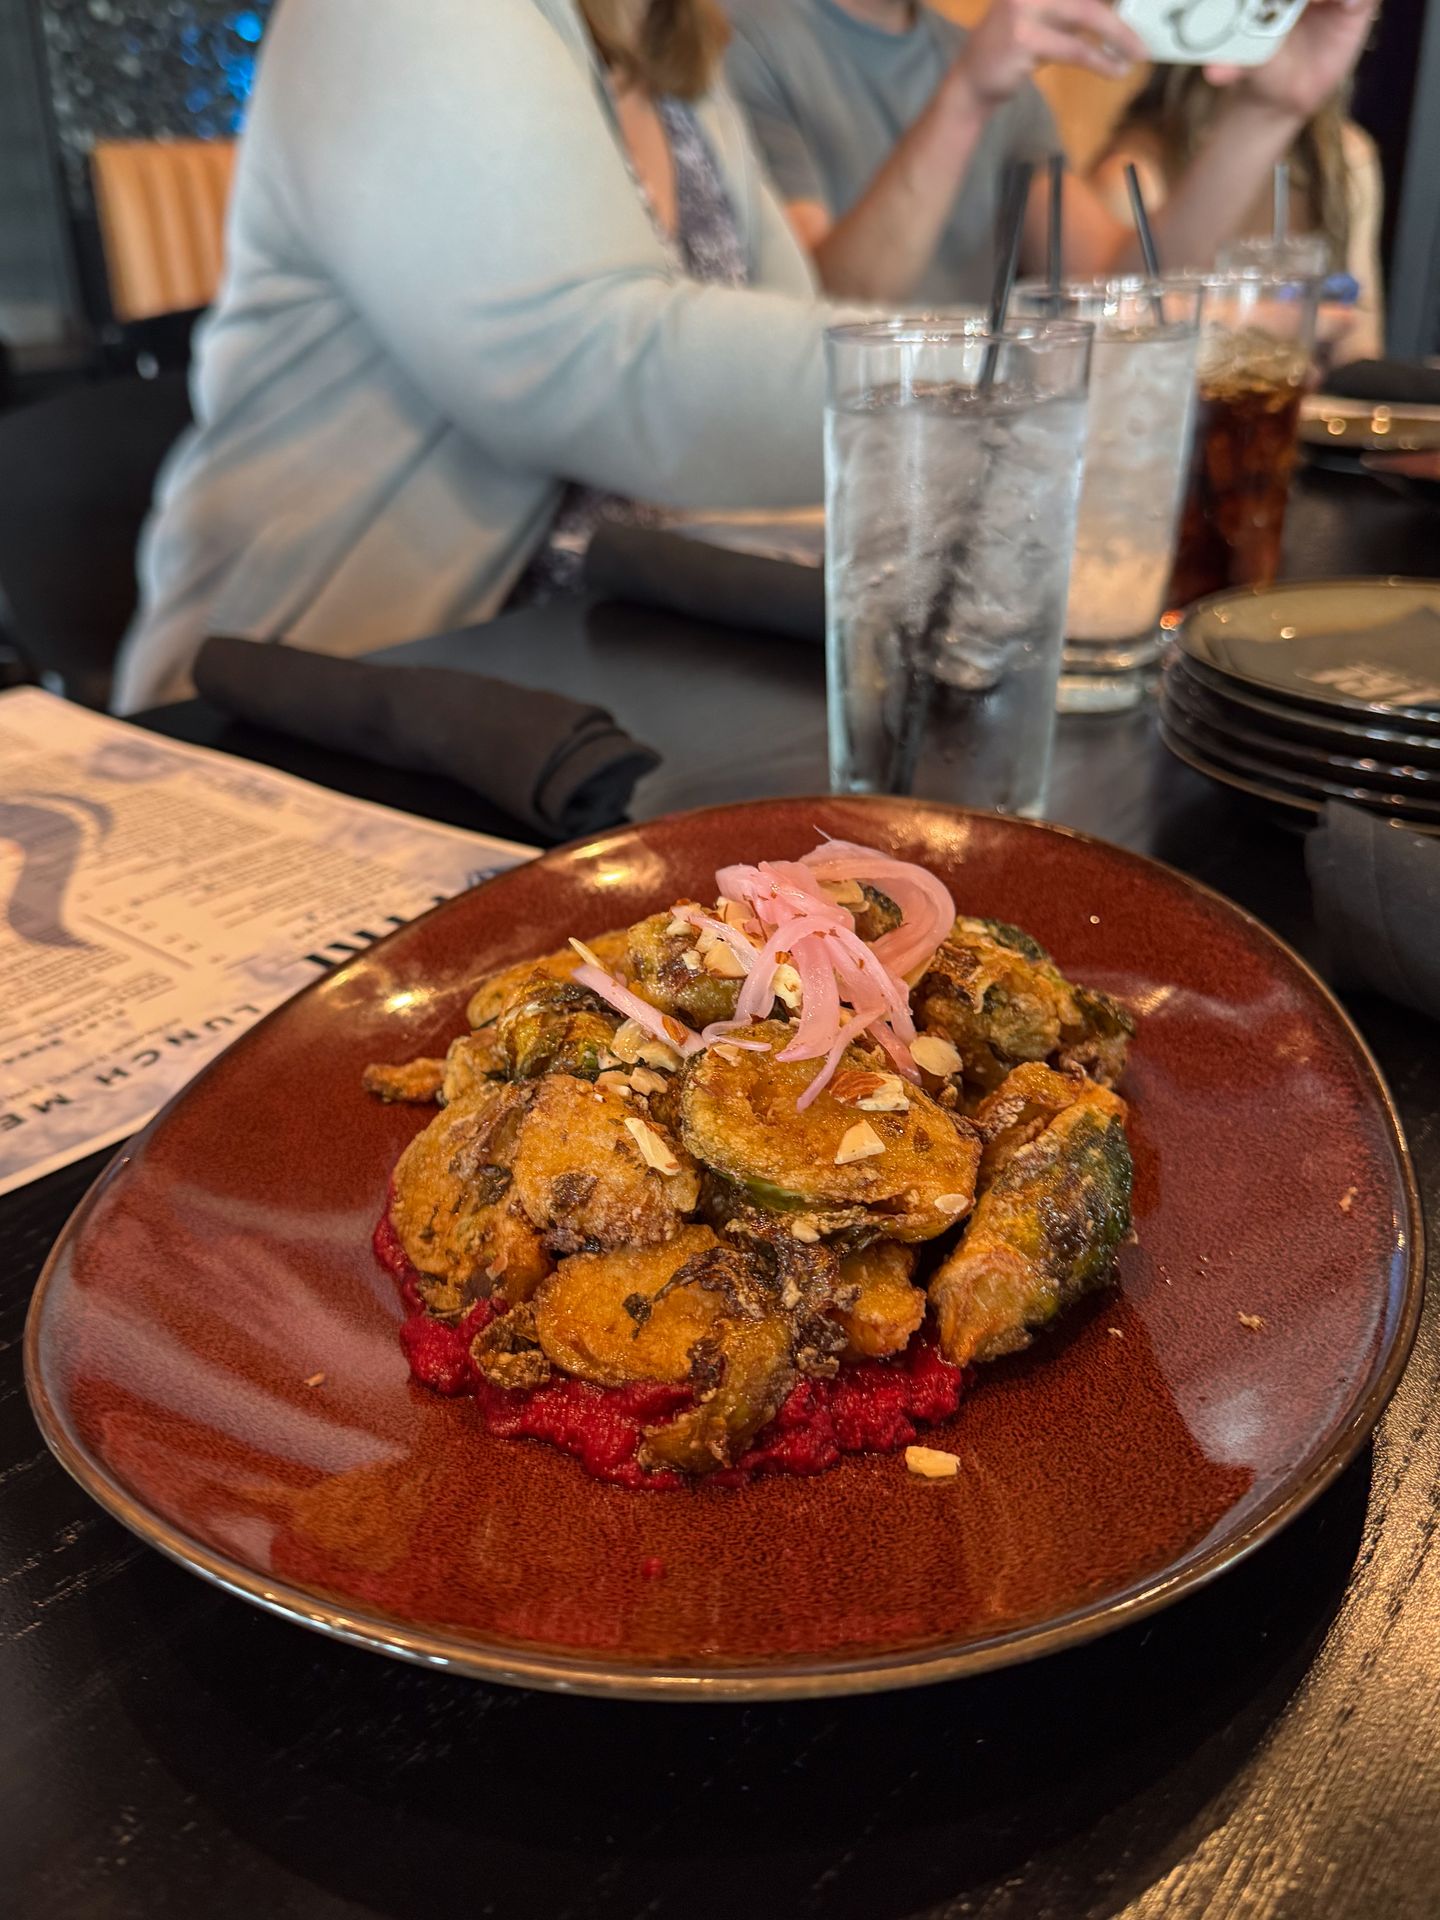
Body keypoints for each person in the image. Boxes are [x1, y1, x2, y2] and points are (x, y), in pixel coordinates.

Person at [113, 0, 837, 714]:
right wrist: (944, 373)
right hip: (343, 711)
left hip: (635, 666)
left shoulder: (671, 43)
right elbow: (591, 365)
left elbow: (775, 341)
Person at [724, 0, 1378, 306]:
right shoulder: (733, 40)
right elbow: (824, 308)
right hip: (815, 480)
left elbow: (1120, 286)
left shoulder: (979, 61)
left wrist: (1270, 112)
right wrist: (968, 97)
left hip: (970, 461)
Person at [1092, 66, 1385, 361]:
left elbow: (1359, 347)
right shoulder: (1135, 178)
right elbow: (1116, 333)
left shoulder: (1343, 160)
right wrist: (1287, 320)